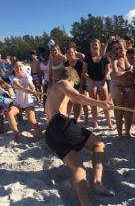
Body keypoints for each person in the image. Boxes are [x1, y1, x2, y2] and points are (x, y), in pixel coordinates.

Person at [45, 67, 115, 206]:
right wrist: (101, 104)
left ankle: (85, 203)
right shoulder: (63, 83)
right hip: (59, 124)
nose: (75, 87)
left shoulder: (51, 90)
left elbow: (71, 102)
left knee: (78, 166)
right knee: (98, 144)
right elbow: (77, 97)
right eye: (75, 84)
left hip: (50, 134)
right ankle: (97, 182)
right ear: (71, 79)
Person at [7, 61, 43, 143]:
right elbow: (16, 84)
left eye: (20, 66)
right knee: (9, 113)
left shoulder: (27, 75)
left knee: (32, 120)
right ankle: (17, 135)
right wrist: (25, 89)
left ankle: (41, 136)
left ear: (22, 67)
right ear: (13, 68)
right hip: (18, 103)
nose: (18, 68)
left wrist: (33, 90)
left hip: (28, 102)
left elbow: (31, 85)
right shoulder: (12, 77)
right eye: (16, 67)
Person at [83, 39, 112, 128]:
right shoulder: (87, 57)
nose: (95, 46)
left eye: (96, 45)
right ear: (90, 47)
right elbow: (84, 72)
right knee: (93, 103)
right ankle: (95, 122)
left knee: (105, 103)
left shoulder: (104, 56)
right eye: (93, 45)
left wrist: (105, 77)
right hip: (91, 80)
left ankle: (109, 122)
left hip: (102, 80)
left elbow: (108, 69)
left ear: (99, 46)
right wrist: (89, 80)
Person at [110, 39, 135, 139]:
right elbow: (116, 74)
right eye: (116, 48)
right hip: (119, 87)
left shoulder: (131, 57)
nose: (119, 50)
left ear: (125, 46)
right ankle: (120, 134)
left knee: (130, 111)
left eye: (120, 47)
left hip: (131, 86)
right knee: (119, 111)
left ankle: (127, 132)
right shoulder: (115, 60)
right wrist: (127, 73)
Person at [65, 43, 88, 123]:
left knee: (79, 103)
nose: (70, 54)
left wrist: (82, 88)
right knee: (69, 103)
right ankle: (67, 119)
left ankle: (78, 119)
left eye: (72, 52)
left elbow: (83, 76)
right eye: (68, 52)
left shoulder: (79, 62)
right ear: (66, 54)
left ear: (75, 53)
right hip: (71, 86)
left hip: (80, 85)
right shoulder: (66, 64)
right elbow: (66, 76)